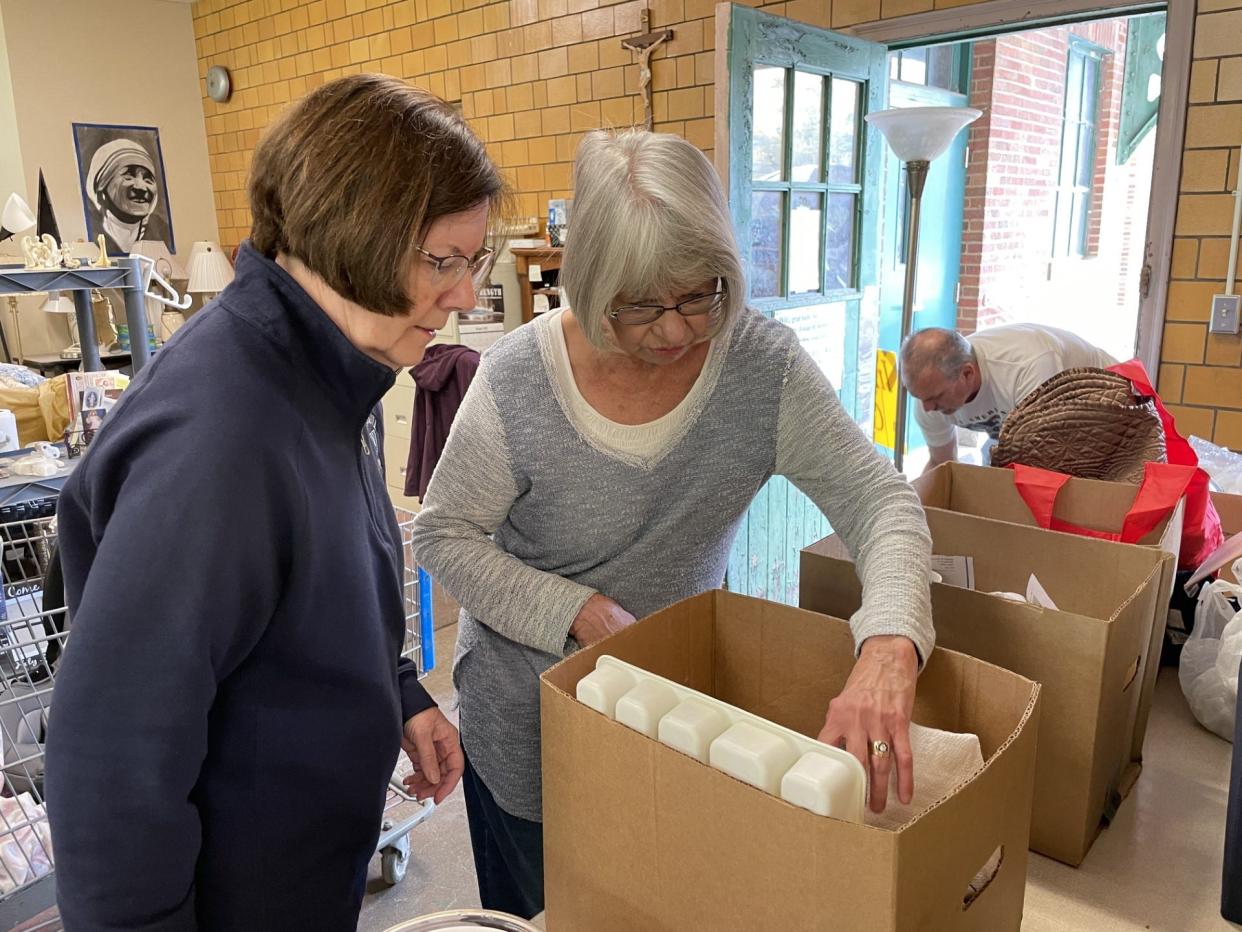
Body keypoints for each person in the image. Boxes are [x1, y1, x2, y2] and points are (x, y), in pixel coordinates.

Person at [410, 129, 935, 919]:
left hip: (676, 719)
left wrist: (891, 641)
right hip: (530, 725)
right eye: (640, 306)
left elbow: (881, 501)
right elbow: (443, 536)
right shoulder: (519, 380)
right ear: (588, 283)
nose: (676, 332)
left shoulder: (762, 368)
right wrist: (577, 612)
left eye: (700, 295)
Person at [45, 75, 503, 930]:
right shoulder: (219, 440)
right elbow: (111, 770)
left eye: (471, 263)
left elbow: (314, 592)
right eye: (442, 262)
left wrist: (398, 693)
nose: (466, 295)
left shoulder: (333, 369)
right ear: (349, 237)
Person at [900, 323, 1117, 473]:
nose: (927, 407)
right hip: (1034, 423)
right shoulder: (929, 398)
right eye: (919, 397)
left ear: (967, 373)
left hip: (1107, 400)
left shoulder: (1027, 370)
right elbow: (941, 464)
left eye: (936, 397)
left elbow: (1049, 463)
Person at [85, 138, 172, 254]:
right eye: (128, 177)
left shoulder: (161, 229)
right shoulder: (91, 236)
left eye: (148, 179)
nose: (141, 187)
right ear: (102, 185)